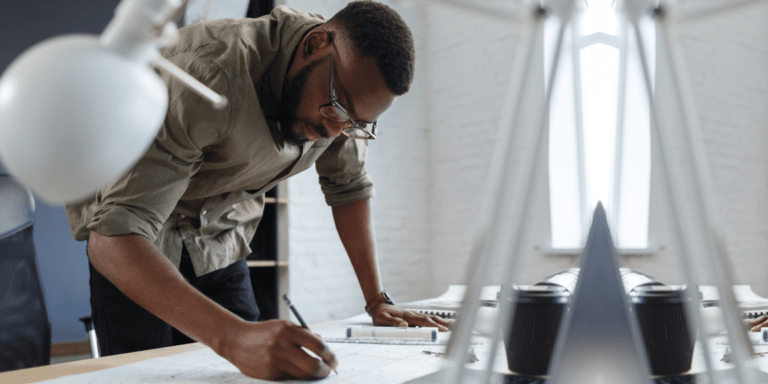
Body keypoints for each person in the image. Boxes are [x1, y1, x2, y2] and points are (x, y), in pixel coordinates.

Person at [65, 1, 450, 380]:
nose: (335, 131)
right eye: (336, 108)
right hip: (140, 242)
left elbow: (348, 188)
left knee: (252, 368)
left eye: (354, 123)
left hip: (220, 234)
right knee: (144, 374)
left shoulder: (344, 98)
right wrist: (230, 338)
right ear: (314, 45)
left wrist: (376, 301)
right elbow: (113, 238)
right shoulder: (205, 75)